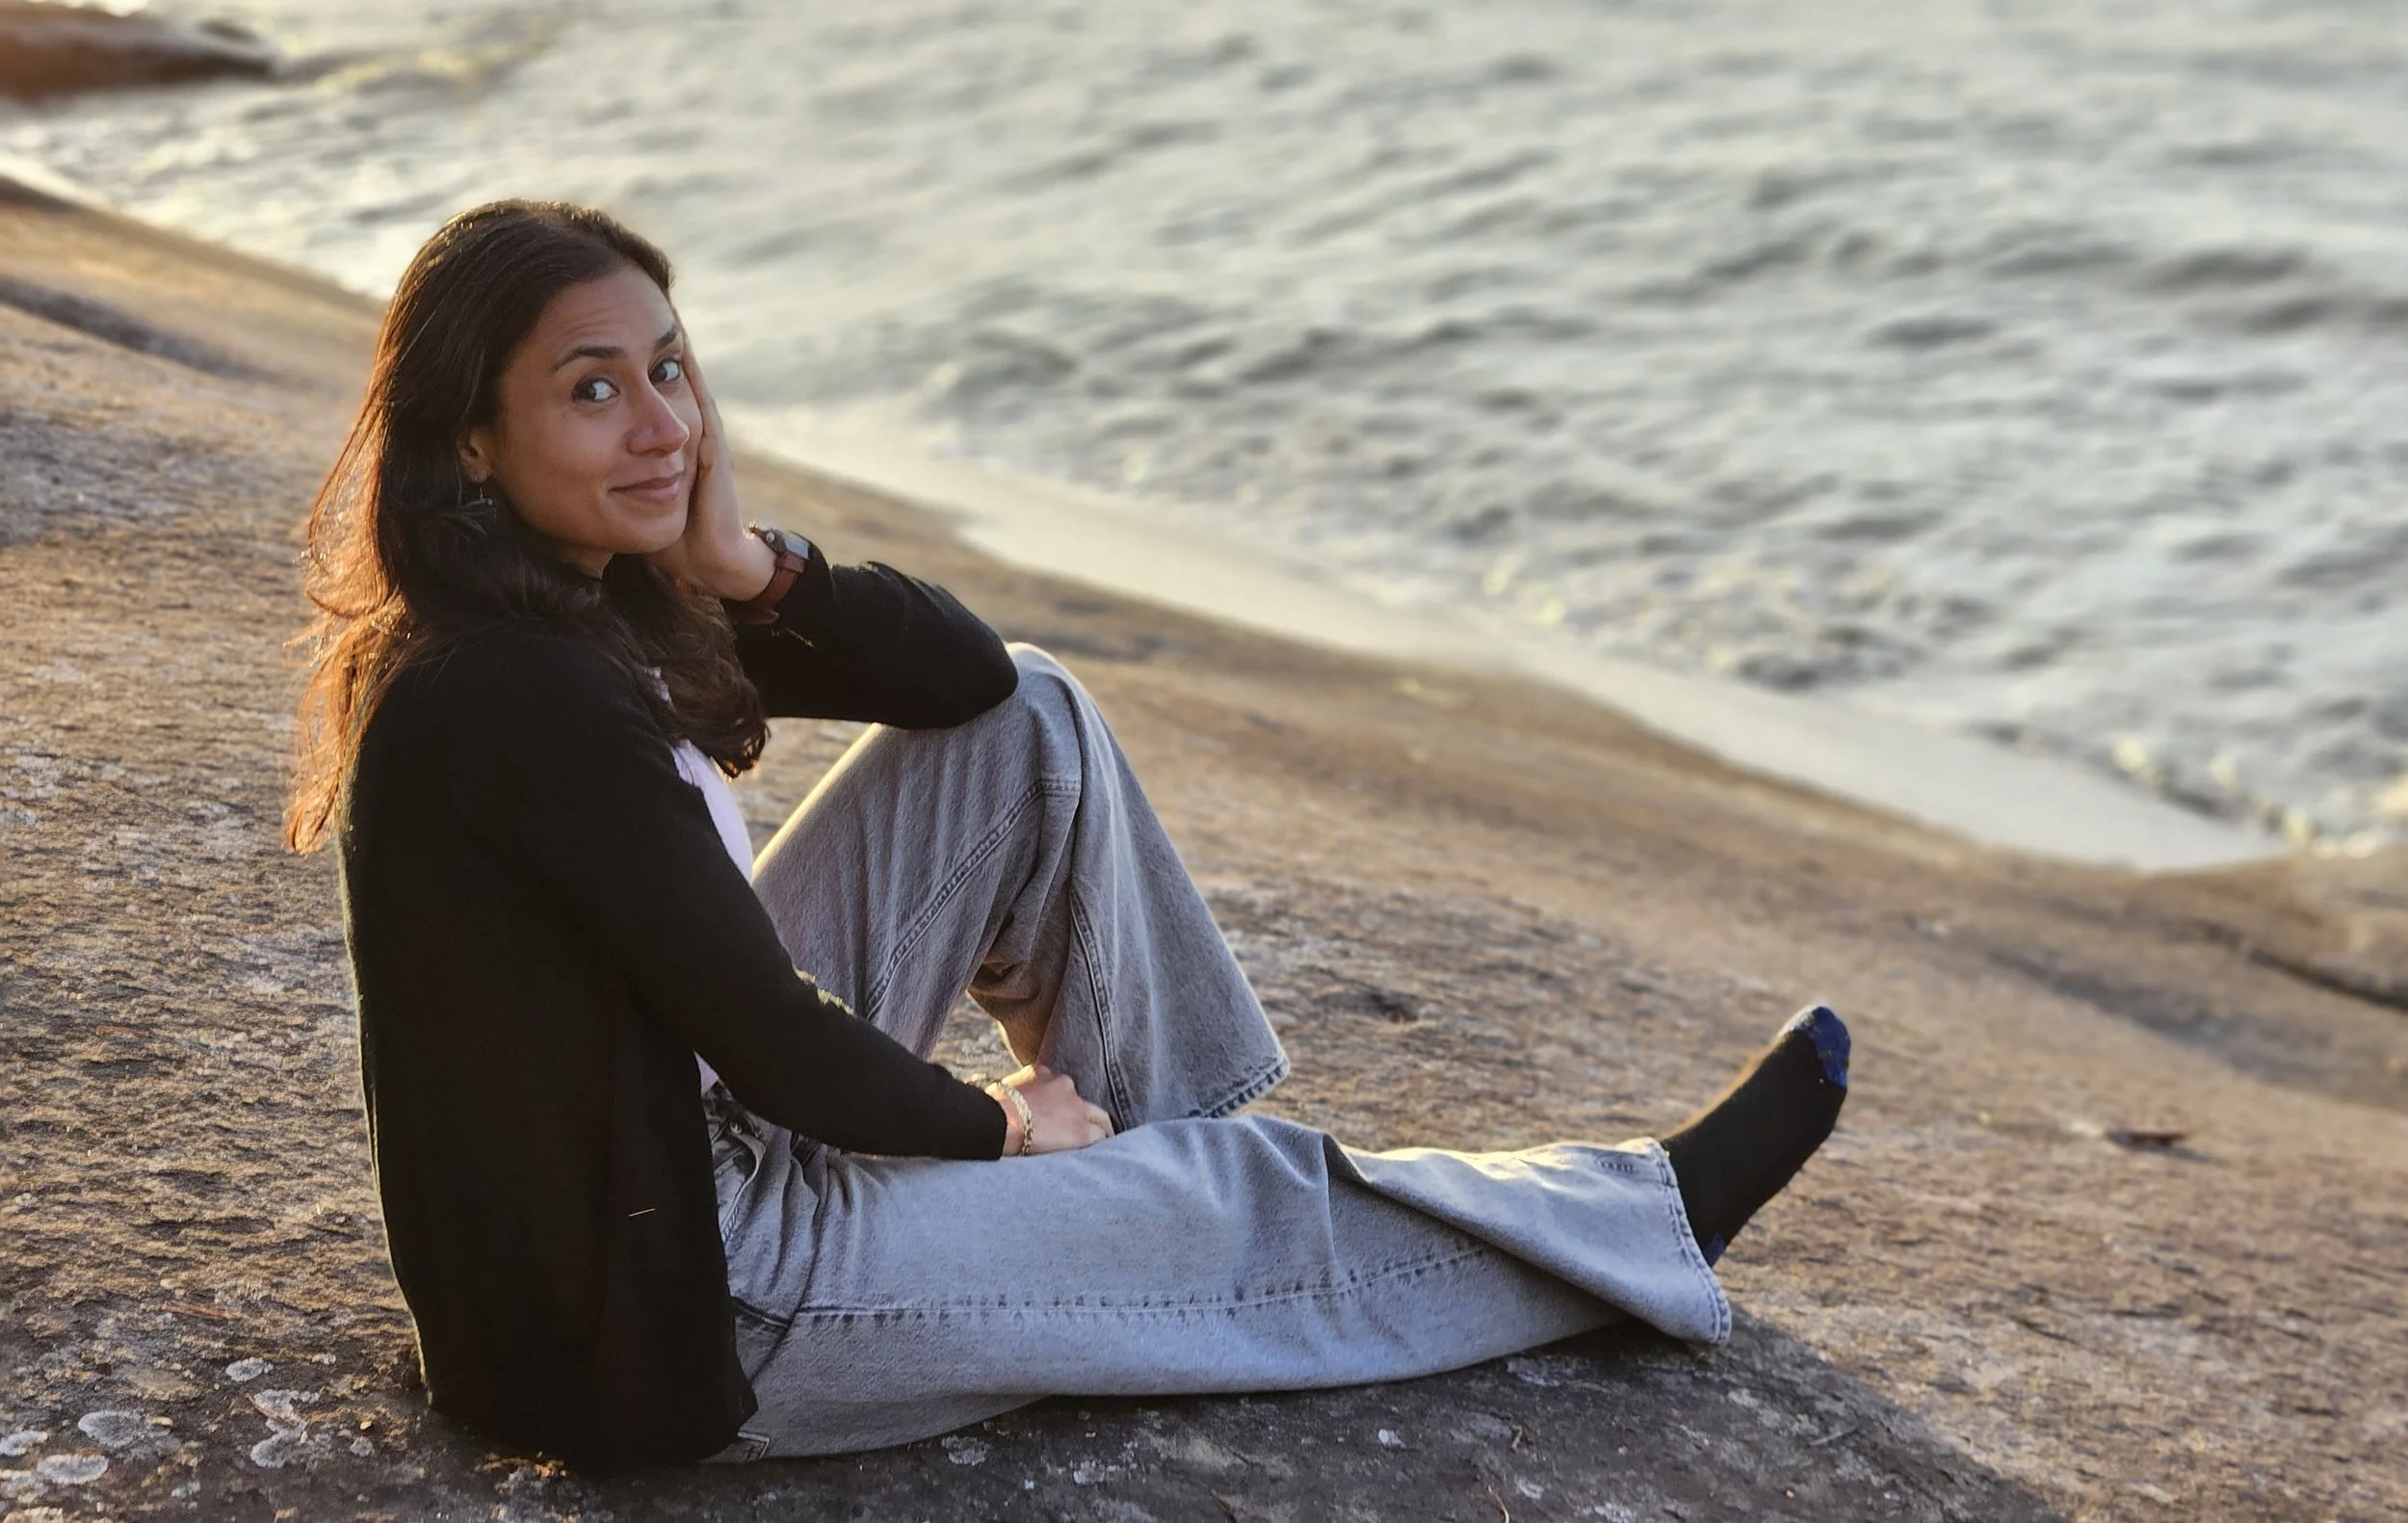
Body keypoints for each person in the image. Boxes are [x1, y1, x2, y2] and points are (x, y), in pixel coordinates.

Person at [283, 198, 1852, 1472]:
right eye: (593, 386)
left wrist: (749, 557)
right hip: (691, 1302)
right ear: (472, 440)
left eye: (673, 369)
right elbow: (773, 1040)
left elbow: (962, 682)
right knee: (1225, 1205)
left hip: (677, 1159)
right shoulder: (517, 692)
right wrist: (1002, 1130)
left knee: (1032, 717)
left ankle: (1149, 1199)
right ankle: (1637, 1219)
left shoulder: (581, 605)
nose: (660, 423)